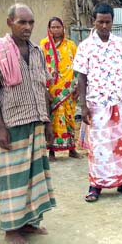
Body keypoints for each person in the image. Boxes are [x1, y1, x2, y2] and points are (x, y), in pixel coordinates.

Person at [0, 3, 56, 244]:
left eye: (30, 22)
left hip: (36, 121)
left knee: (35, 176)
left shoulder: (37, 50)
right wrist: (0, 127)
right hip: (13, 123)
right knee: (14, 178)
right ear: (9, 22)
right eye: (22, 22)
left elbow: (42, 86)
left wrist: (47, 122)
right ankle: (11, 228)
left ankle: (30, 221)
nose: (27, 27)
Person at [73, 3, 122, 203]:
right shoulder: (85, 47)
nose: (104, 25)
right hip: (96, 105)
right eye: (100, 21)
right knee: (99, 147)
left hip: (118, 103)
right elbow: (81, 77)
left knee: (119, 145)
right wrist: (83, 105)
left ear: (113, 22)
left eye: (107, 22)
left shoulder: (121, 44)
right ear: (94, 21)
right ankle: (95, 186)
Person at [39, 16, 80, 162]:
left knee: (69, 117)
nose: (56, 30)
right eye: (53, 27)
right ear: (49, 29)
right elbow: (41, 67)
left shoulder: (71, 45)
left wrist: (77, 86)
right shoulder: (44, 45)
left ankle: (71, 148)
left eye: (58, 27)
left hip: (68, 89)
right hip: (51, 89)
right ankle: (51, 150)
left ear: (63, 28)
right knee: (52, 119)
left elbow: (77, 66)